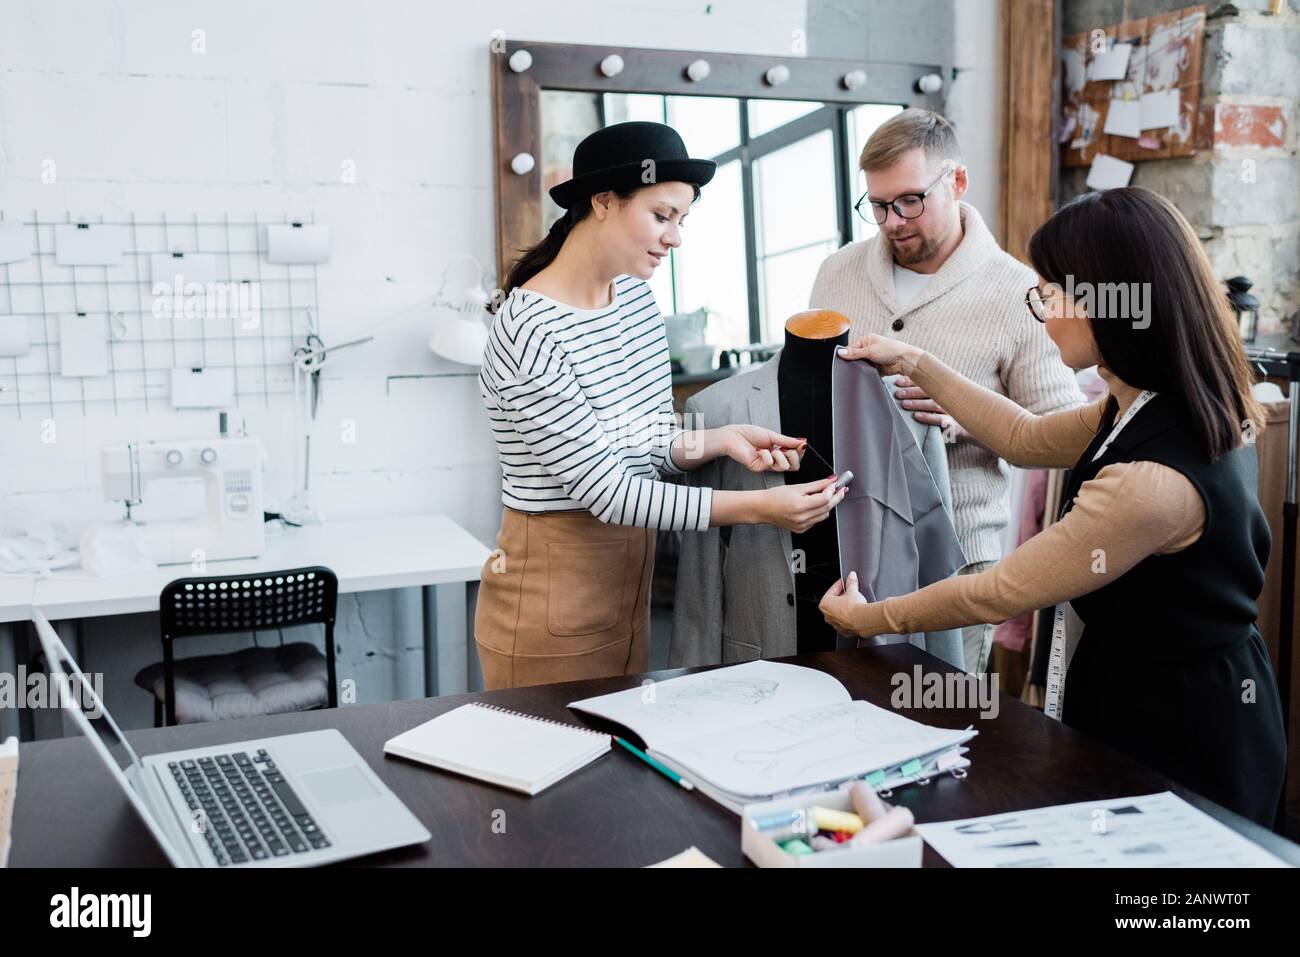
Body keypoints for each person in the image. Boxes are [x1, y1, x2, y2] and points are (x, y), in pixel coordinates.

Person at [820, 186, 1287, 826]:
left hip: (1184, 720)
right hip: (1139, 682)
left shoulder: (1150, 482)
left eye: (1052, 291)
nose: (1041, 311)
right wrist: (915, 360)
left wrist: (870, 617)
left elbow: (1000, 590)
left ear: (1113, 302)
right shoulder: (1149, 399)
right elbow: (1027, 438)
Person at [476, 121, 846, 689]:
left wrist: (718, 440)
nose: (675, 238)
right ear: (602, 201)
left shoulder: (635, 300)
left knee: (619, 766)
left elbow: (643, 440)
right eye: (661, 215)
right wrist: (761, 509)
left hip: (629, 583)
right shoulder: (527, 327)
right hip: (552, 592)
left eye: (682, 220)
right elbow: (608, 493)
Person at [810, 108, 1086, 674]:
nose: (892, 220)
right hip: (843, 544)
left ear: (956, 182)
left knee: (943, 719)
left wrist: (960, 414)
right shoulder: (835, 273)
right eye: (878, 205)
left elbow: (1065, 429)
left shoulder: (1017, 291)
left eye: (910, 200)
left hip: (959, 556)